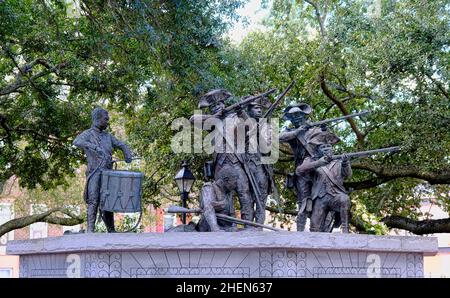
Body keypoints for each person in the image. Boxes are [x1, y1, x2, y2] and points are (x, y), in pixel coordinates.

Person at [73, 107, 133, 233]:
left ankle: (111, 230)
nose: (107, 122)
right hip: (94, 172)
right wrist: (94, 147)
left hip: (108, 174)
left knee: (108, 201)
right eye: (106, 119)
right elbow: (77, 141)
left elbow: (121, 144)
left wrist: (127, 153)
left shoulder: (108, 136)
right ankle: (90, 230)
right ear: (97, 119)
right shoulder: (88, 134)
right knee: (93, 200)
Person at [296, 130, 351, 233]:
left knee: (345, 199)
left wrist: (345, 163)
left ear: (332, 148)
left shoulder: (338, 162)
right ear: (318, 149)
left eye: (328, 147)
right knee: (314, 227)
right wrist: (318, 163)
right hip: (319, 198)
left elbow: (347, 175)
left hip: (335, 195)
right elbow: (299, 170)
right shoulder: (312, 160)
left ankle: (346, 230)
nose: (326, 149)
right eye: (323, 147)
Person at [279, 103, 320, 231]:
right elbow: (278, 138)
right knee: (303, 201)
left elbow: (327, 144)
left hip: (318, 167)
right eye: (292, 116)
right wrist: (298, 131)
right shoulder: (290, 132)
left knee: (321, 198)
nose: (295, 118)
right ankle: (300, 231)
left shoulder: (315, 130)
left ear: (303, 115)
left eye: (298, 115)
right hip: (301, 170)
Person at [197, 166, 239, 232]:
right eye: (234, 182)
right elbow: (208, 208)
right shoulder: (209, 187)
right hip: (210, 229)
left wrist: (234, 226)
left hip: (225, 228)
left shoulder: (229, 193)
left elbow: (232, 214)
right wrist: (216, 229)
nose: (236, 185)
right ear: (226, 180)